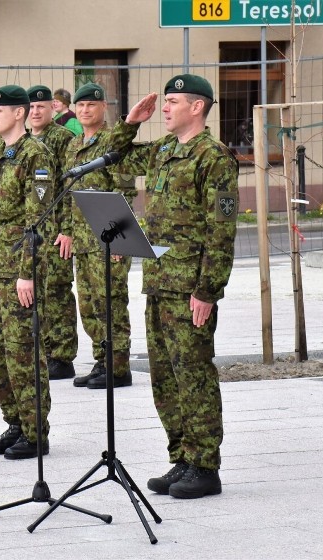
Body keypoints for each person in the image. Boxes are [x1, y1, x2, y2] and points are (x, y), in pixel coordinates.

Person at [117, 75, 239, 499]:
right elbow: (111, 159)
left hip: (190, 286)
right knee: (165, 378)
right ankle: (182, 458)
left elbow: (221, 232)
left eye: (172, 101)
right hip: (159, 279)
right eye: (164, 102)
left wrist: (207, 291)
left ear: (197, 107)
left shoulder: (214, 158)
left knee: (193, 375)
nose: (164, 108)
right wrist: (129, 123)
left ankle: (205, 467)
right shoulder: (163, 151)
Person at [0, 85, 55, 460]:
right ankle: (16, 423)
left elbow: (38, 220)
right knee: (0, 351)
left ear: (18, 114)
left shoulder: (35, 156)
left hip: (18, 271)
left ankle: (37, 432)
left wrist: (27, 272)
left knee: (24, 351)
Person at [65, 82, 136, 390]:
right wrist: (67, 232)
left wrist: (120, 239)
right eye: (80, 106)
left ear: (103, 107)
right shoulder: (74, 144)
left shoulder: (113, 142)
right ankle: (101, 360)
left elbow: (126, 191)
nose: (84, 110)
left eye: (91, 105)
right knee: (90, 305)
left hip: (108, 240)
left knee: (111, 303)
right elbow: (69, 194)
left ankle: (118, 367)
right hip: (83, 240)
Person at [26, 85, 78, 381]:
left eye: (41, 107)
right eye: (31, 108)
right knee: (36, 293)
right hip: (33, 231)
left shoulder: (63, 139)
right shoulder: (23, 141)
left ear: (52, 109)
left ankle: (62, 355)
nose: (35, 112)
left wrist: (68, 229)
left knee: (57, 291)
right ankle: (43, 350)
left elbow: (71, 188)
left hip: (56, 230)